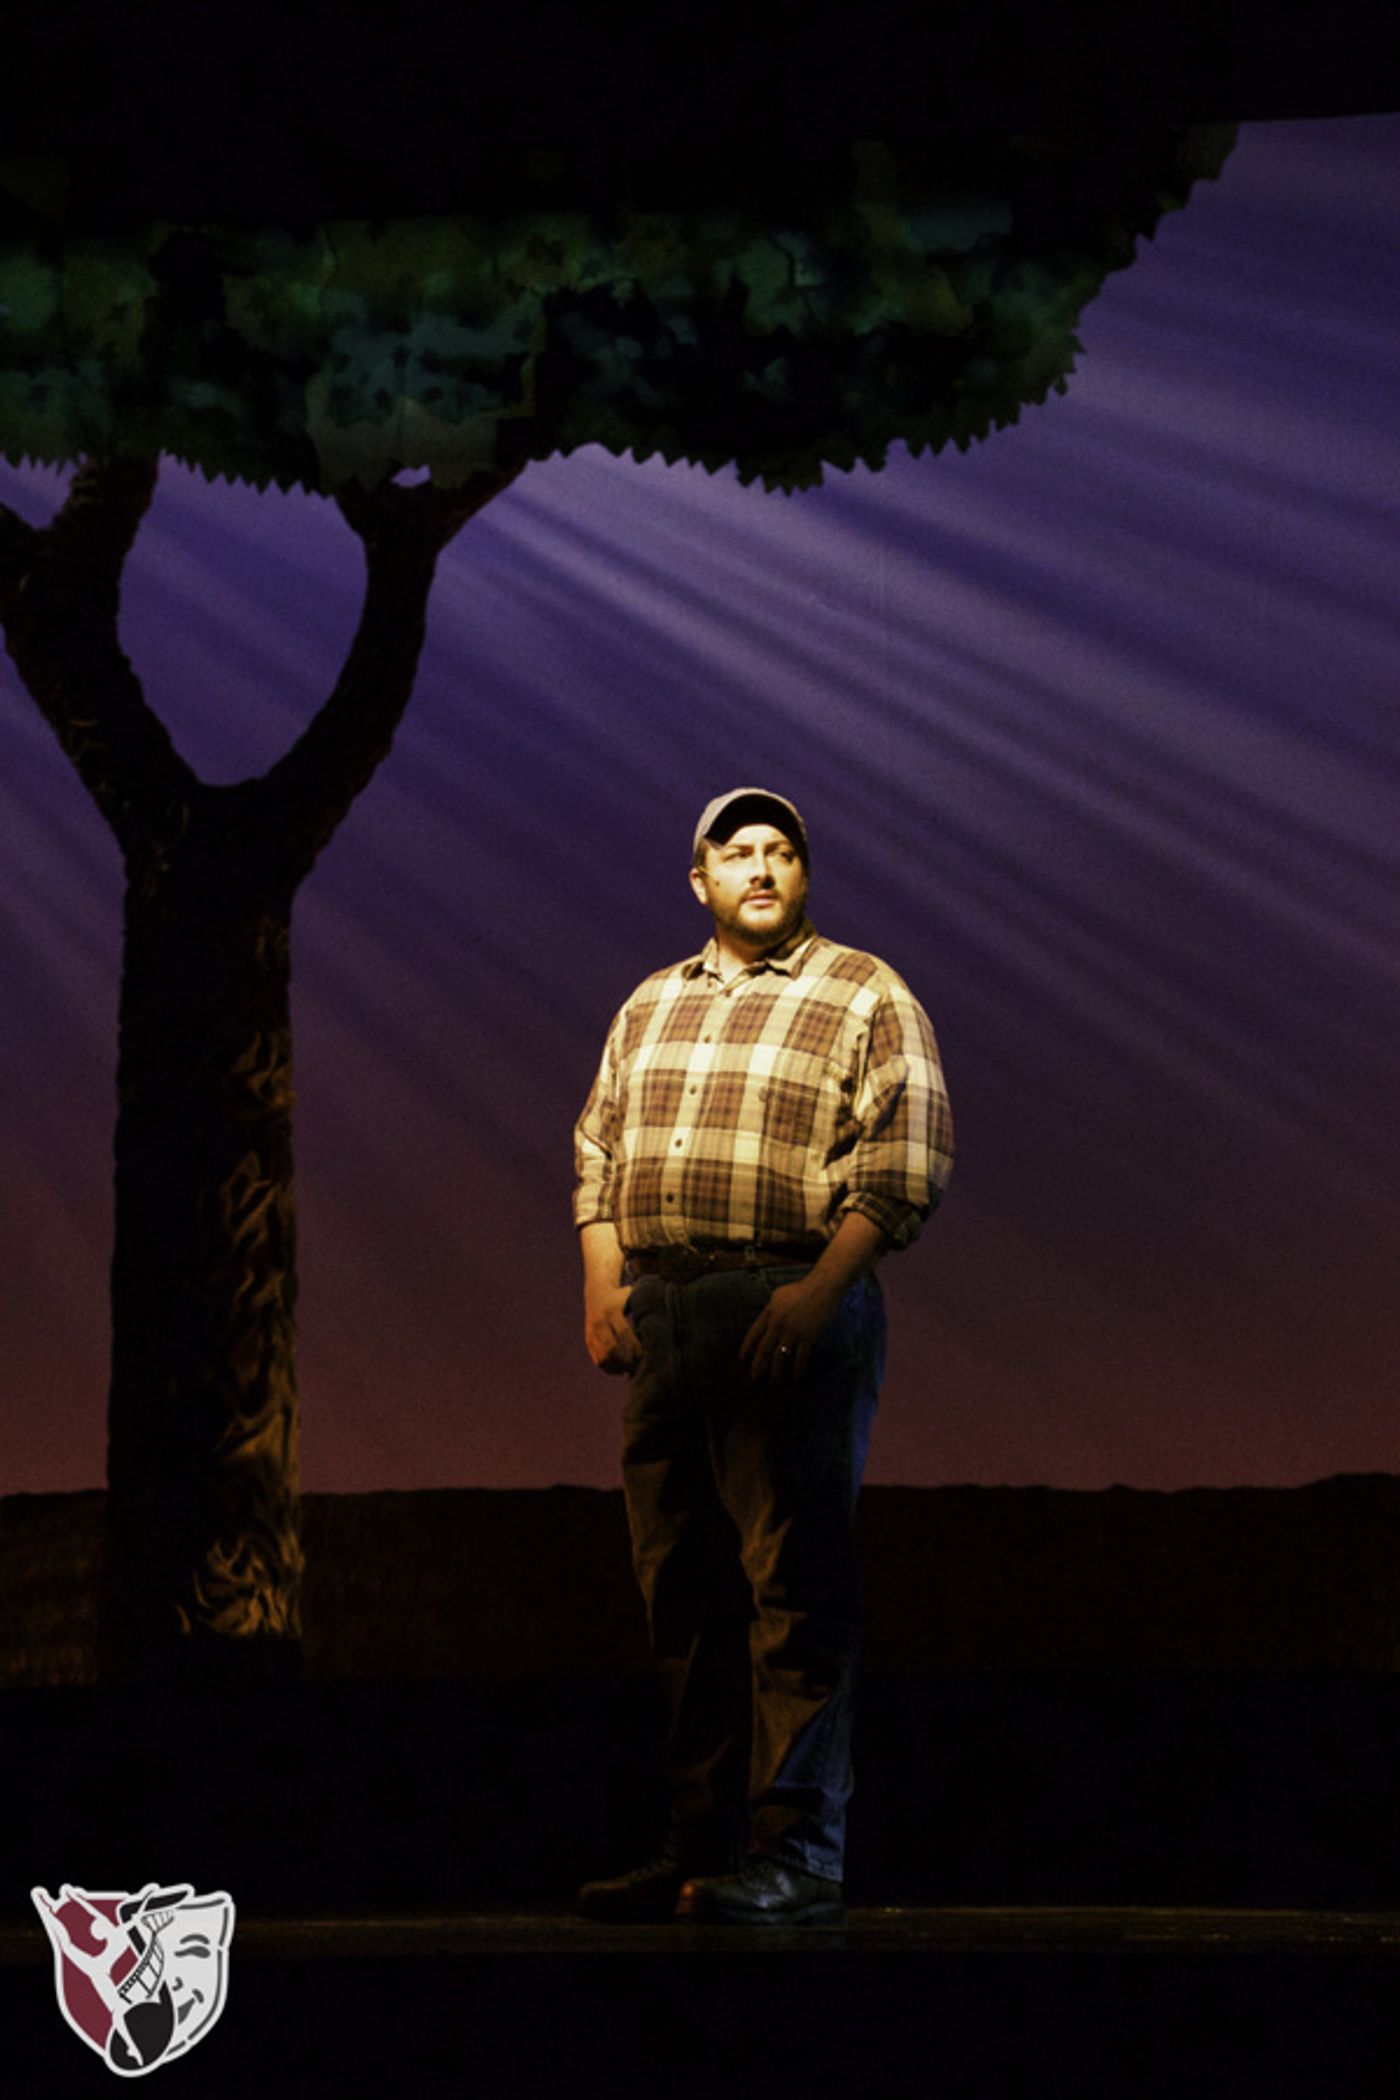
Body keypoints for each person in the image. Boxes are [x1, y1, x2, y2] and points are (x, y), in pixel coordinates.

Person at [572, 787, 953, 1925]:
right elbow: (598, 1150)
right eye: (735, 852)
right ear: (699, 879)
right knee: (680, 1591)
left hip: (784, 1305)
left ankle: (797, 1853)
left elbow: (905, 1161)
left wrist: (812, 1297)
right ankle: (700, 1845)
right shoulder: (650, 1005)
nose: (760, 867)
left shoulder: (861, 990)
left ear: (801, 874)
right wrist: (603, 1289)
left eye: (780, 851)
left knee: (793, 1588)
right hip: (667, 1313)